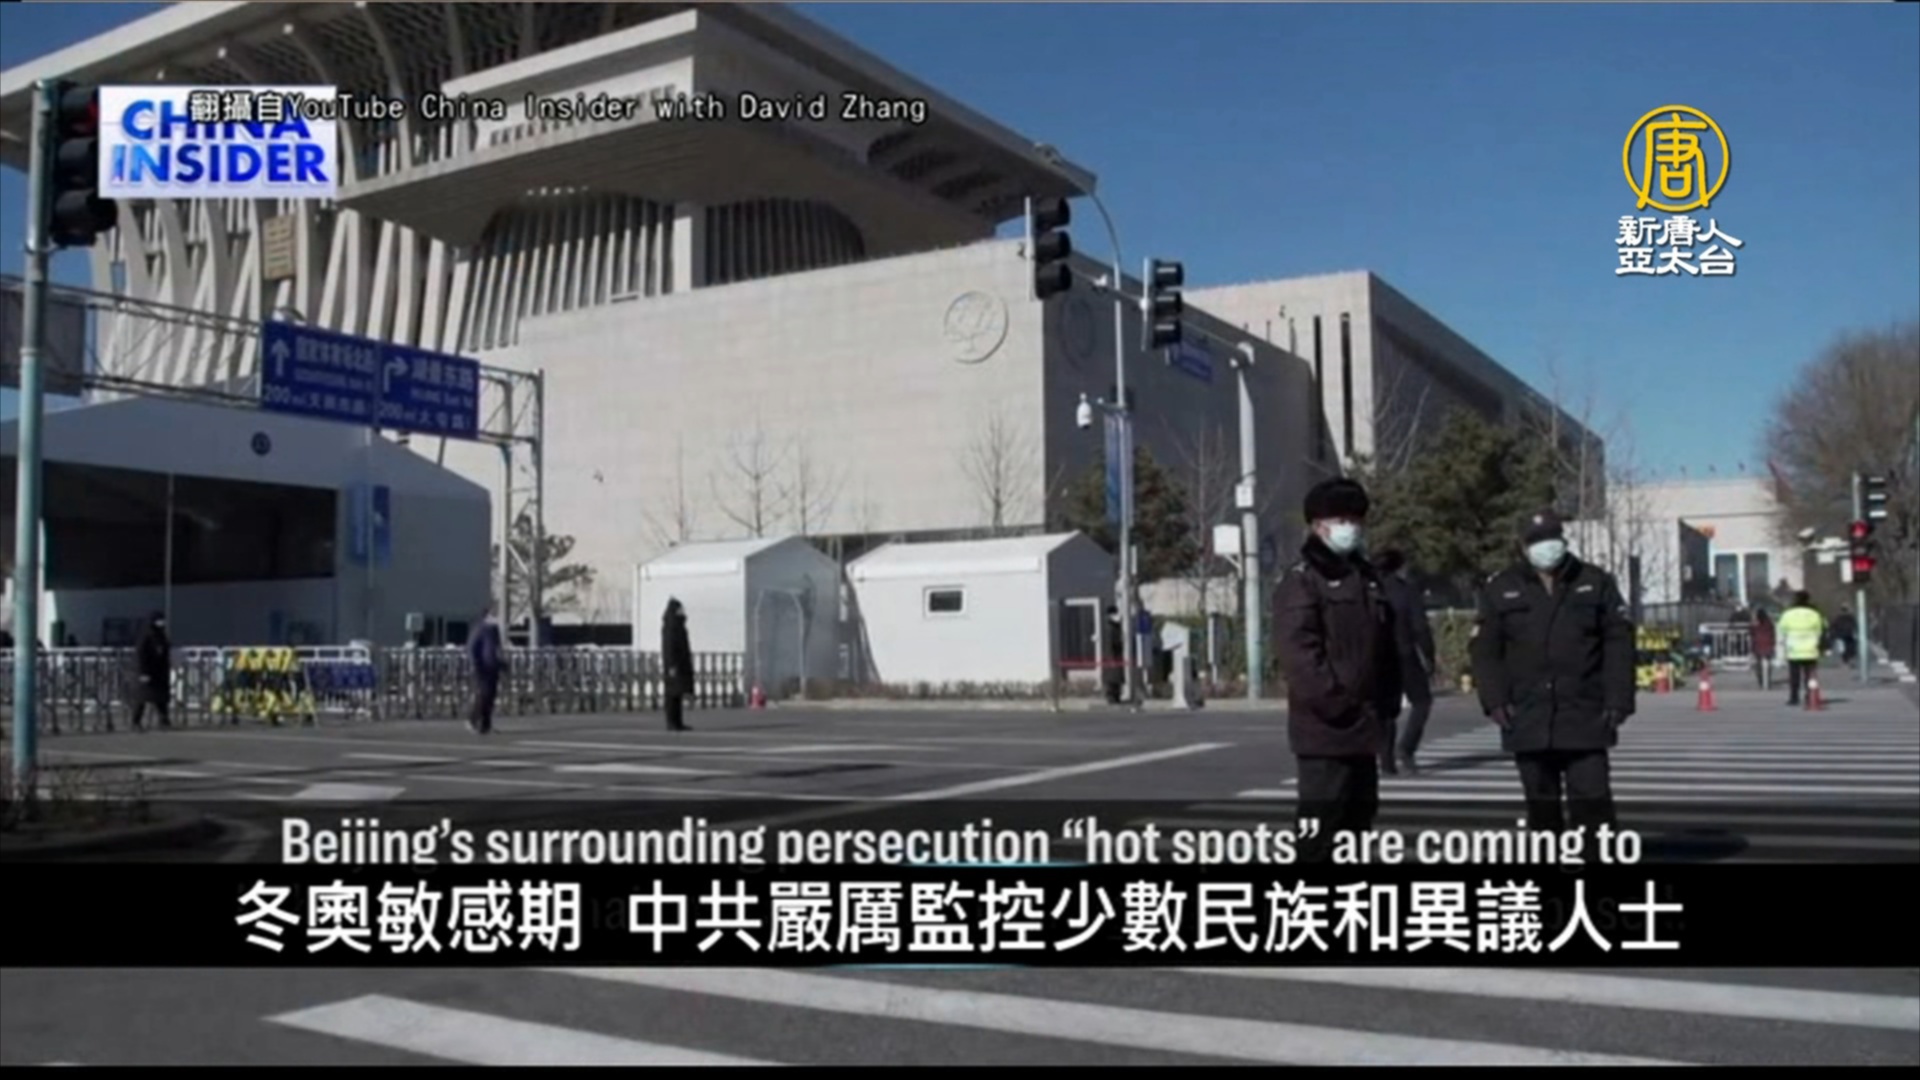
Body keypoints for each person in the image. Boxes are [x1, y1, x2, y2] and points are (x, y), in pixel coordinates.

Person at [1470, 510, 1635, 834]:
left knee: (1593, 805)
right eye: (1536, 540)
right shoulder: (1501, 587)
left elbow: (1620, 643)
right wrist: (1494, 700)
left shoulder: (1594, 581)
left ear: (1562, 539)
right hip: (1527, 715)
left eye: (1551, 537)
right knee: (1542, 809)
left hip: (1585, 713)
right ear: (1522, 546)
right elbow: (1485, 650)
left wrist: (1619, 699)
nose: (1546, 546)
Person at [1272, 477, 1401, 863]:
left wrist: (1388, 702)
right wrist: (1338, 705)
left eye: (1356, 520)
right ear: (1317, 525)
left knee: (1357, 826)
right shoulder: (1302, 581)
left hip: (1365, 726)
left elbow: (1385, 645)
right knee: (1320, 831)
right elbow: (1300, 655)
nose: (1351, 528)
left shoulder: (1365, 577)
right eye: (1340, 520)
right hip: (1325, 730)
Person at [1374, 548, 1436, 775]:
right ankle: (1407, 747)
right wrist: (1429, 655)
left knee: (1385, 709)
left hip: (1378, 656)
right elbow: (1420, 627)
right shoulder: (1406, 591)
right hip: (1405, 653)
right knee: (1422, 702)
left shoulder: (1371, 590)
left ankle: (1386, 760)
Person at [1778, 591, 1826, 706]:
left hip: (1794, 649)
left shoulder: (1788, 614)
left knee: (1794, 676)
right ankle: (1810, 695)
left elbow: (1782, 628)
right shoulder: (1814, 614)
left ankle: (1794, 697)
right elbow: (1820, 629)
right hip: (1810, 649)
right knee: (1810, 676)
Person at [129, 611, 172, 731]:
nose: (161, 623)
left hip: (159, 672)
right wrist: (143, 672)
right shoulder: (146, 636)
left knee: (160, 698)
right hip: (148, 671)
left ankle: (164, 720)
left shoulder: (161, 636)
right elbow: (141, 655)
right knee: (142, 698)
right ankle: (136, 721)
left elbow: (165, 652)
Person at [466, 606, 506, 734]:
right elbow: (472, 647)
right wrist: (475, 664)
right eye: (493, 614)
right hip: (482, 667)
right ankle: (474, 720)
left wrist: (501, 664)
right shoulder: (480, 629)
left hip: (493, 667)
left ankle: (486, 724)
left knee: (491, 696)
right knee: (483, 695)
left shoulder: (494, 630)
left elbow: (496, 650)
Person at [662, 598, 694, 732]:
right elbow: (669, 647)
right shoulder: (671, 626)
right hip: (674, 664)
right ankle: (672, 722)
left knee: (678, 693)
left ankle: (678, 721)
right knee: (672, 693)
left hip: (680, 662)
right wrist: (671, 665)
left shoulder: (678, 624)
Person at [1100, 605, 1125, 705]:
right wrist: (1112, 658)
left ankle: (1116, 695)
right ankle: (1111, 696)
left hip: (1116, 655)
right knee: (1112, 678)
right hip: (1112, 657)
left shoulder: (1116, 626)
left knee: (1116, 677)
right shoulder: (1109, 627)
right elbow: (1110, 644)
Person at [1750, 608, 1777, 689]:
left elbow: (1751, 633)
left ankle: (1761, 681)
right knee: (1768, 664)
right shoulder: (1769, 623)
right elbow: (1773, 634)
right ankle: (1767, 680)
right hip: (1768, 644)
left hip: (1757, 645)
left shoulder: (1755, 624)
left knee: (1758, 664)